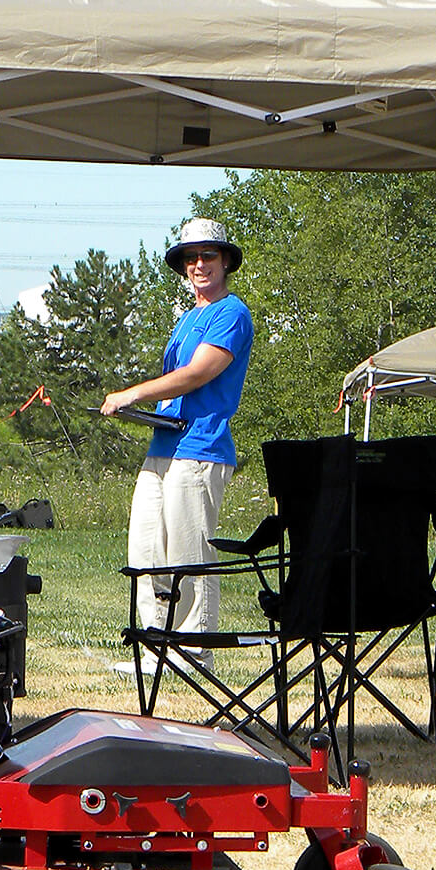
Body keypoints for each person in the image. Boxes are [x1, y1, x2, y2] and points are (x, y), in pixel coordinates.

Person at [100, 218, 253, 674]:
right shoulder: (188, 318)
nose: (199, 265)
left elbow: (199, 373)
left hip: (202, 448)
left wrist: (133, 394)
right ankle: (156, 648)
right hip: (165, 443)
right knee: (146, 549)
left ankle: (194, 648)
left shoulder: (232, 313)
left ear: (225, 261)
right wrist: (144, 408)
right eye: (192, 258)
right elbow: (175, 389)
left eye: (208, 255)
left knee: (189, 552)